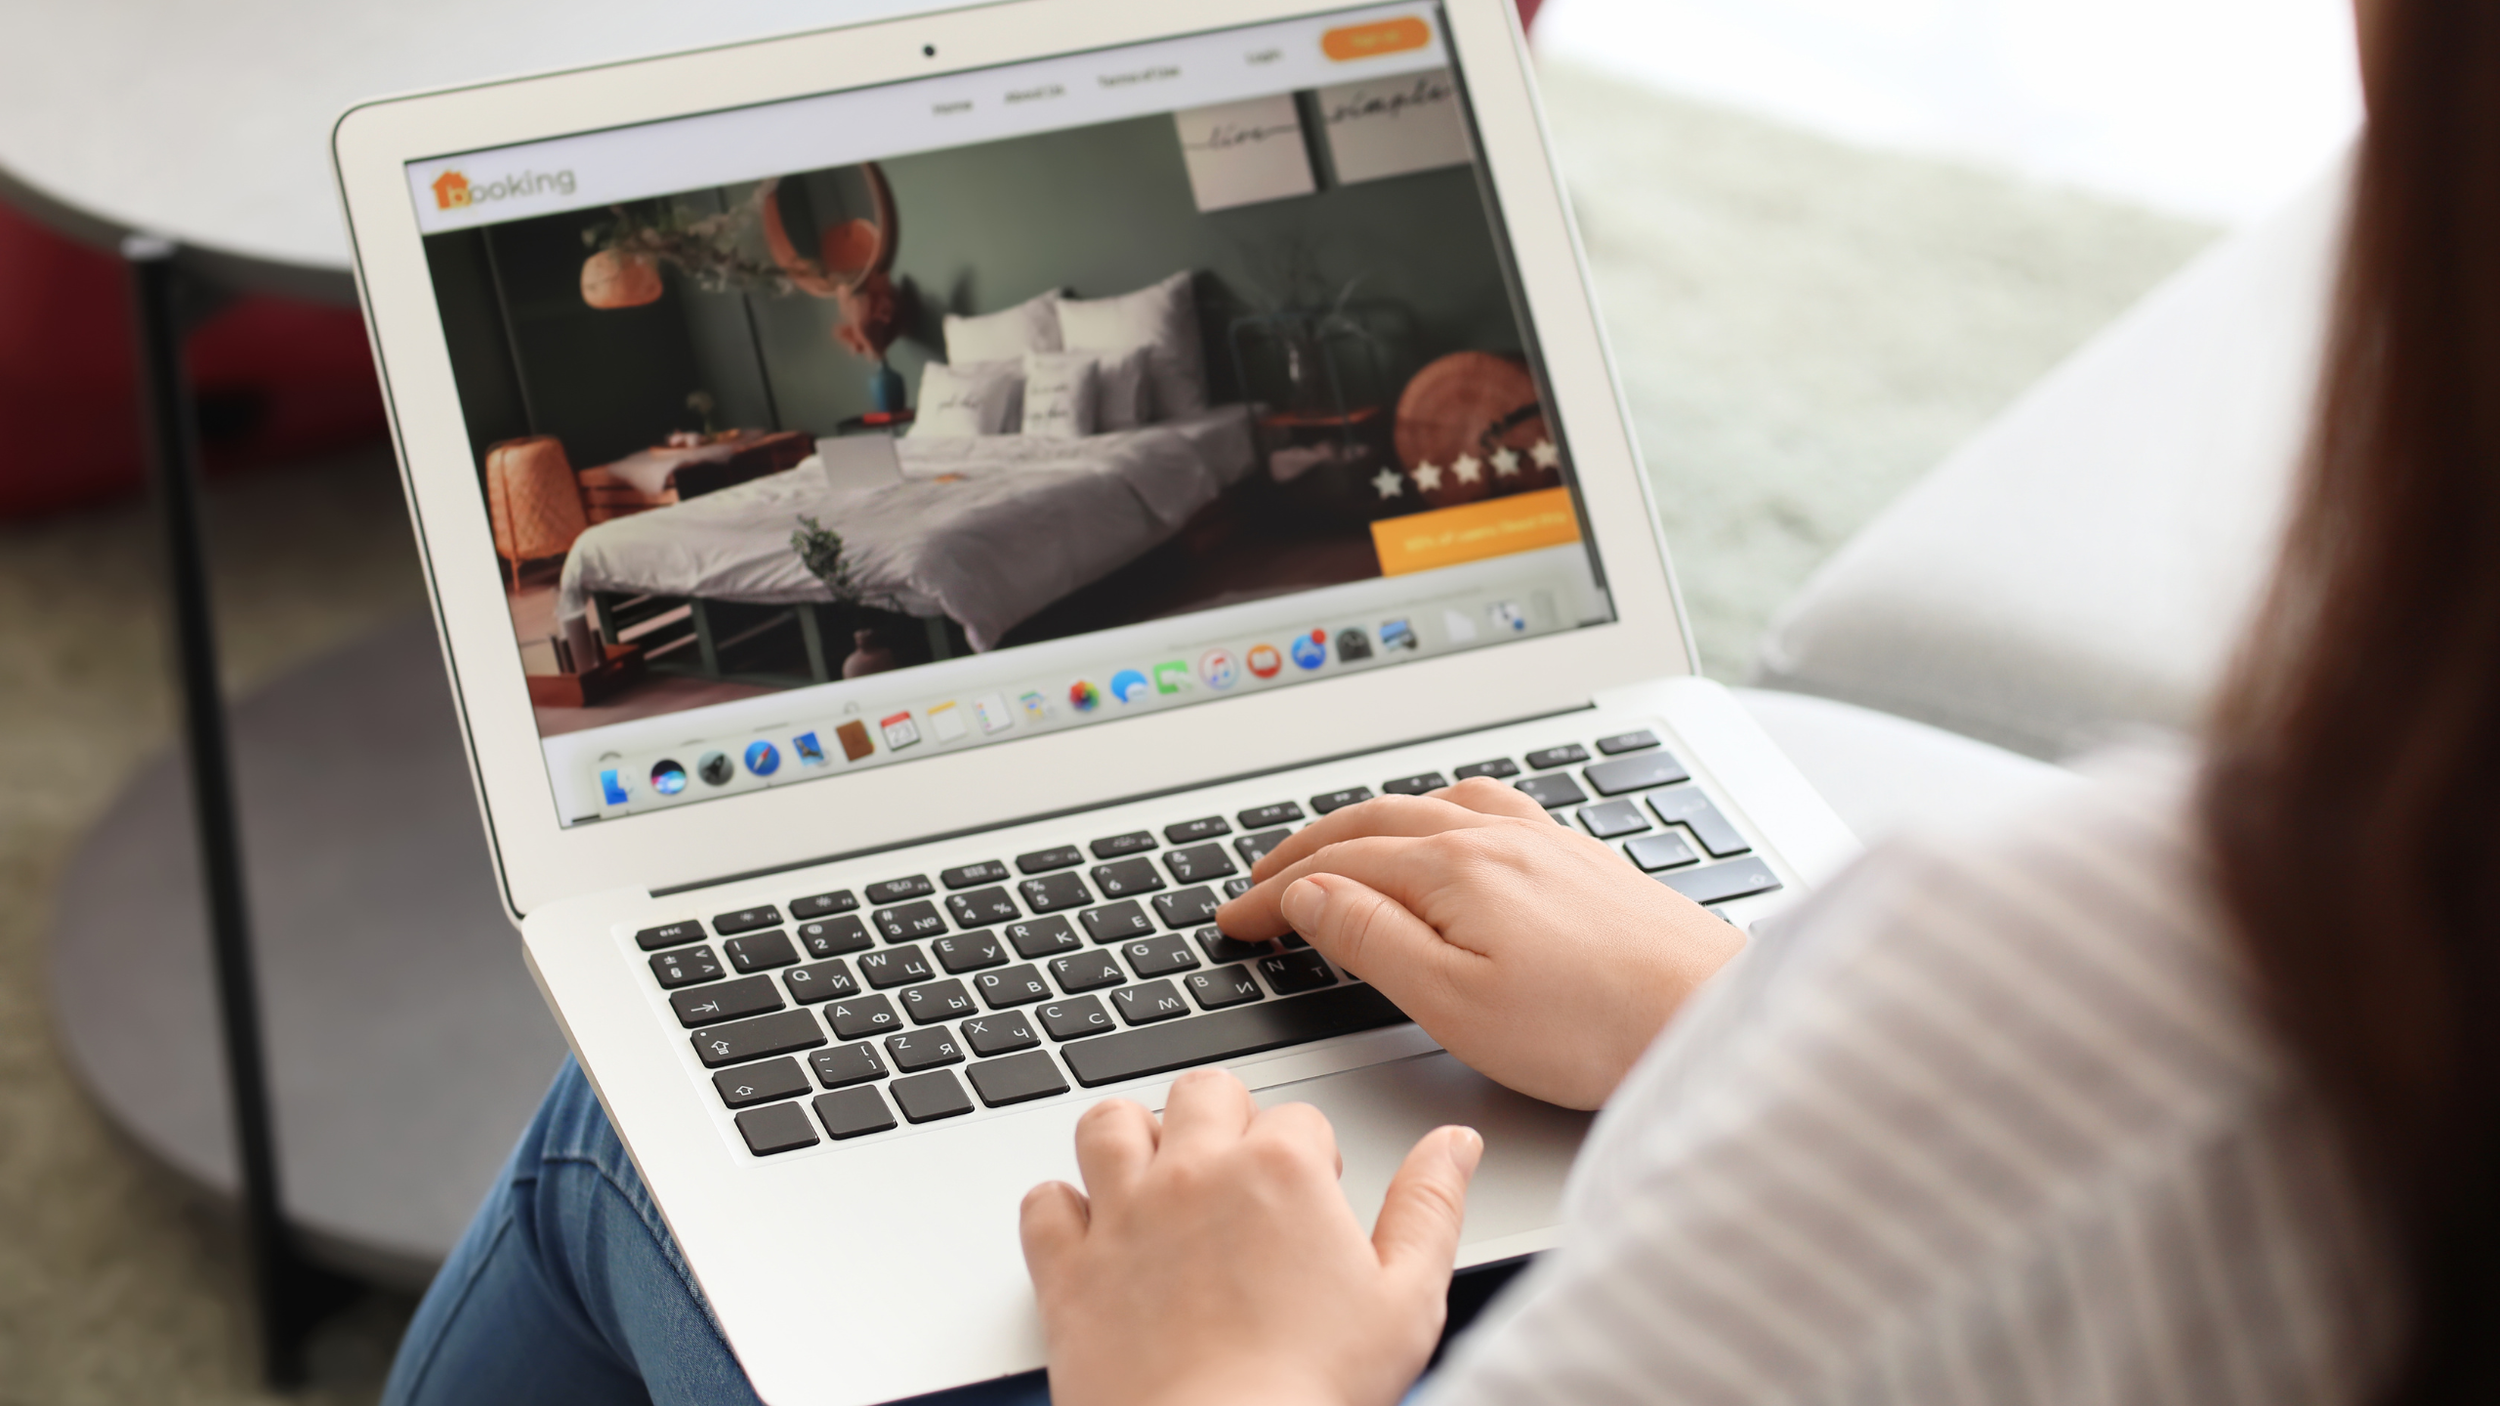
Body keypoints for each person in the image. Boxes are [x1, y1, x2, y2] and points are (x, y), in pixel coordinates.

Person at [387, 0, 2499, 1400]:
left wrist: (1221, 1379)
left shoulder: (2199, 999)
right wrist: (1719, 1019)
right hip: (1663, 1015)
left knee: (615, 1149)